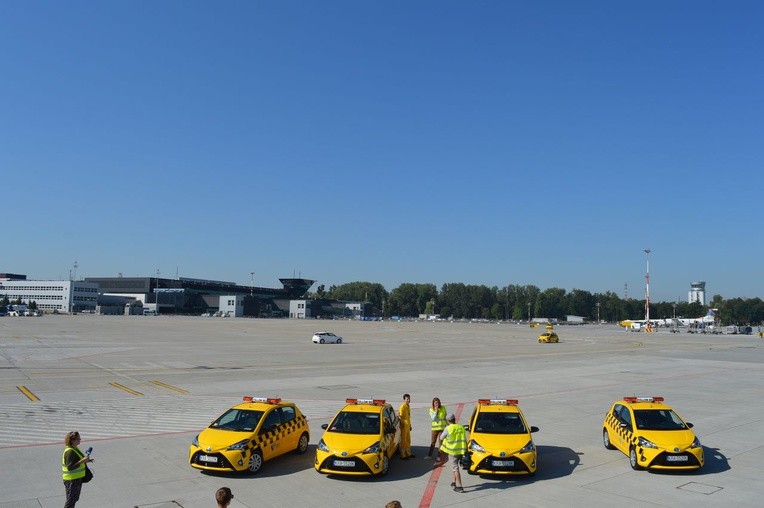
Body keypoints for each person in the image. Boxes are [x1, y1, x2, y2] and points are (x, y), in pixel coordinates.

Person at [62, 431, 93, 508]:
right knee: (70, 501)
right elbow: (70, 467)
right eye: (78, 439)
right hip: (71, 480)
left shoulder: (74, 448)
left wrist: (86, 460)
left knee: (74, 499)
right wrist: (82, 461)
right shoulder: (70, 452)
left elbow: (77, 461)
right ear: (72, 440)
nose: (80, 440)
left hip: (76, 479)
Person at [438, 414, 467, 493]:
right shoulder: (461, 427)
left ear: (448, 421)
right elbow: (464, 439)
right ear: (454, 419)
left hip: (453, 451)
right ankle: (454, 482)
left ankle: (459, 486)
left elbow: (441, 437)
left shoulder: (448, 428)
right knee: (454, 467)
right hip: (460, 450)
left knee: (455, 468)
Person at [398, 393, 414, 459]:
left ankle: (408, 453)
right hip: (404, 426)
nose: (408, 400)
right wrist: (403, 424)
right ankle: (403, 455)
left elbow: (408, 417)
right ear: (404, 399)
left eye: (409, 399)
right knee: (404, 441)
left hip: (407, 425)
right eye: (407, 399)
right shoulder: (402, 406)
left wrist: (410, 425)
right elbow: (400, 416)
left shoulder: (408, 406)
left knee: (408, 440)